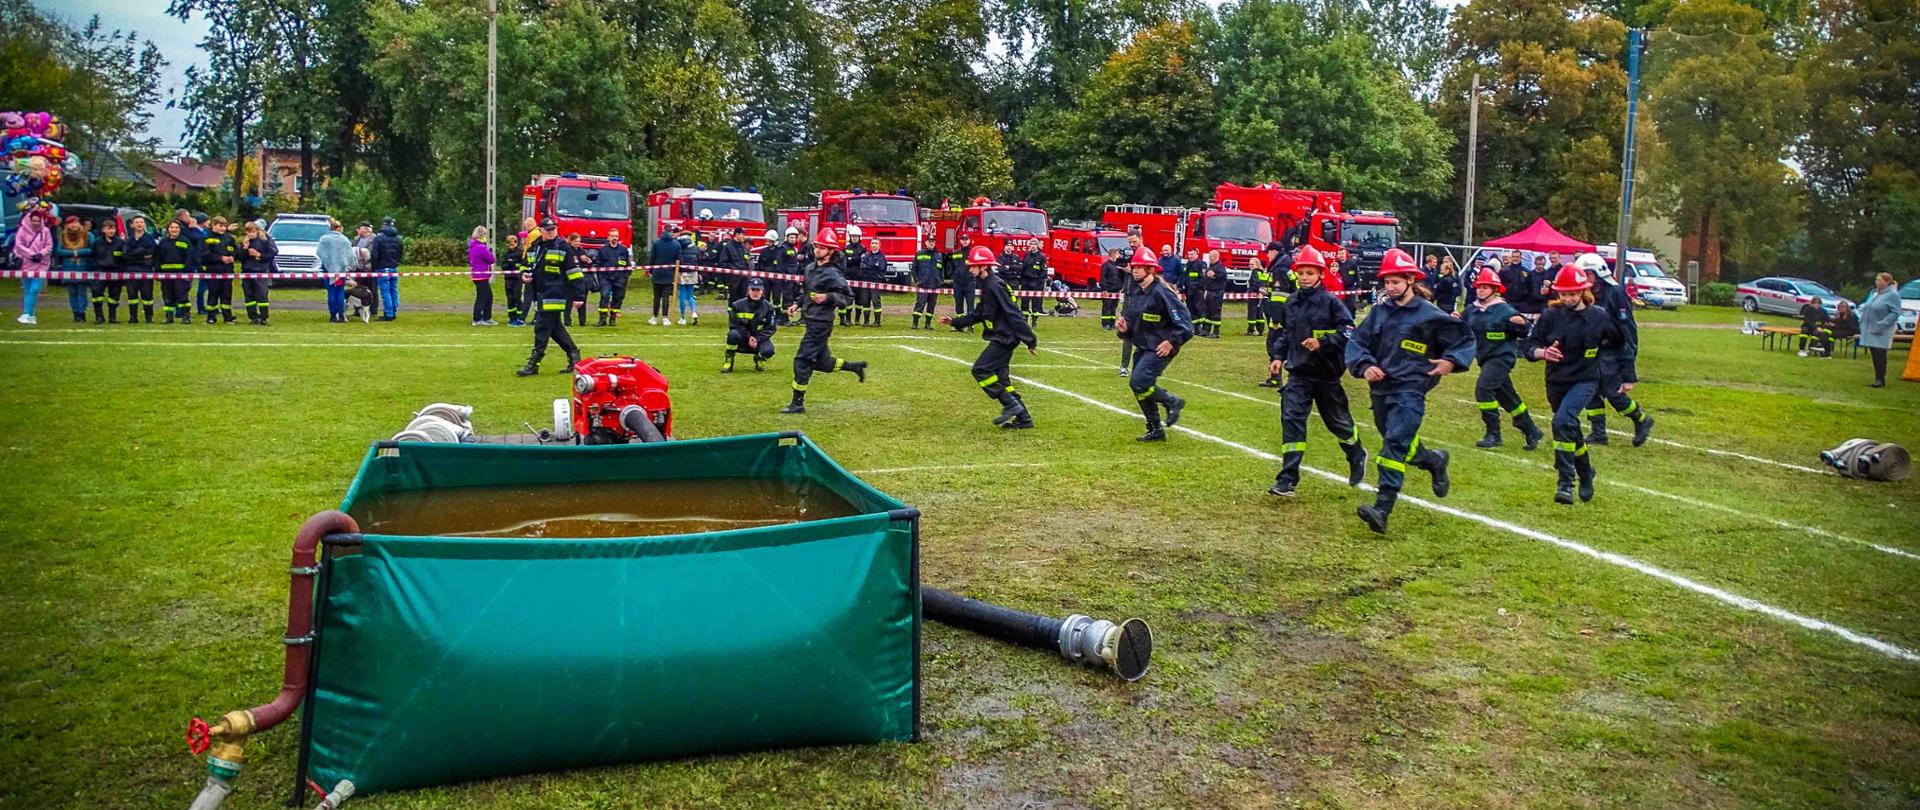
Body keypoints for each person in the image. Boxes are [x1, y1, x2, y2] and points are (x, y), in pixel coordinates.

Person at [1344, 248, 1473, 534]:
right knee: (1397, 440)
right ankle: (1434, 461)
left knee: (1393, 447)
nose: (1391, 288)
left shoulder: (1430, 315)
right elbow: (1357, 343)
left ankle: (1382, 508)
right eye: (1387, 282)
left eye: (1396, 282)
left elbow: (1462, 339)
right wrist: (1365, 366)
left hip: (1411, 391)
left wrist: (1451, 362)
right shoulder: (1379, 312)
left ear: (1410, 281)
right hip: (1380, 390)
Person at [1267, 245, 1368, 497]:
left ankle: (1355, 452)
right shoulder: (1292, 302)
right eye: (1301, 272)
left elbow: (1348, 331)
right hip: (1299, 373)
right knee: (1291, 420)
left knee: (1338, 424)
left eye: (1310, 273)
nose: (1304, 277)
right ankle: (1288, 478)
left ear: (1320, 275)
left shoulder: (1332, 303)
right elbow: (1287, 334)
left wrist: (1322, 342)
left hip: (1326, 374)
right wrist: (1278, 356)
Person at [1523, 264, 1622, 504]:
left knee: (1562, 422)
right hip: (1556, 381)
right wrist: (1542, 352)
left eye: (1573, 294)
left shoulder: (1598, 316)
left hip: (1585, 379)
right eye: (1564, 294)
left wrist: (1618, 371)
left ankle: (1565, 482)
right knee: (1570, 429)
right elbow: (1529, 346)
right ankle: (1586, 472)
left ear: (1583, 292)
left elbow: (1619, 341)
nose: (1568, 298)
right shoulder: (1549, 316)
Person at [940, 244, 1039, 429]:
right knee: (1002, 380)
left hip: (1005, 338)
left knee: (980, 370)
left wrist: (1030, 339)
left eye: (973, 266)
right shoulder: (988, 284)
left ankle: (1010, 405)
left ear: (984, 266)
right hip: (1002, 336)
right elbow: (979, 314)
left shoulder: (994, 285)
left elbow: (1013, 313)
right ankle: (1024, 419)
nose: (970, 268)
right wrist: (954, 322)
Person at [781, 230, 867, 414]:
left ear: (831, 251)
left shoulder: (833, 274)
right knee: (823, 362)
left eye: (822, 247)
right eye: (817, 246)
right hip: (810, 320)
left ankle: (797, 403)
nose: (818, 249)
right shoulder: (810, 268)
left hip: (821, 323)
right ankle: (854, 366)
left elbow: (848, 296)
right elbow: (806, 291)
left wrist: (827, 296)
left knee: (802, 361)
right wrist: (796, 305)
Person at [1115, 247, 1193, 442]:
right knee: (1140, 387)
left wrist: (1172, 342)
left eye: (1140, 267)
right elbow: (1136, 325)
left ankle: (1172, 401)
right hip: (1143, 346)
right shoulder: (1138, 292)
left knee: (1139, 382)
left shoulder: (1162, 292)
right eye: (1134, 267)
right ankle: (1155, 428)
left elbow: (1186, 326)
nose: (1135, 270)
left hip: (1160, 348)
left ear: (1151, 270)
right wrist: (1125, 329)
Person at [1577, 253, 1655, 446]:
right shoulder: (1586, 294)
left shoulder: (1615, 293)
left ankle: (1641, 419)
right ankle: (1598, 432)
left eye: (1585, 273)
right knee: (1590, 391)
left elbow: (1627, 328)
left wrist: (1629, 367)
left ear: (1596, 273)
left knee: (1613, 392)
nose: (1582, 278)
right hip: (1592, 351)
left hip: (1613, 349)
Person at [1463, 267, 1545, 449]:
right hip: (1484, 357)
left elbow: (1525, 330)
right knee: (1507, 397)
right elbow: (1461, 327)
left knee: (1483, 390)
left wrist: (1522, 324)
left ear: (1495, 290)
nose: (1481, 290)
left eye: (1486, 287)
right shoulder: (1472, 310)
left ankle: (1493, 433)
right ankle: (1531, 430)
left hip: (1501, 357)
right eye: (1479, 287)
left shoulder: (1505, 310)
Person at [515, 218, 586, 376]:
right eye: (548, 229)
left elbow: (574, 273)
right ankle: (574, 355)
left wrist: (579, 296)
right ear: (541, 230)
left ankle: (534, 362)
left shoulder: (563, 247)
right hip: (539, 293)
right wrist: (523, 274)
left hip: (555, 294)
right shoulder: (535, 246)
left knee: (541, 327)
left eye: (553, 228)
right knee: (554, 329)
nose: (551, 231)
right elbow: (526, 264)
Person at [724, 277, 779, 373]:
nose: (755, 292)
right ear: (748, 290)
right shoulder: (737, 305)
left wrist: (757, 339)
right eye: (753, 289)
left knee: (769, 350)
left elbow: (771, 328)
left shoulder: (769, 307)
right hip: (742, 337)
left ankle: (759, 359)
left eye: (758, 290)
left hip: (759, 339)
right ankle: (729, 360)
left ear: (762, 291)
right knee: (732, 334)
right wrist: (749, 337)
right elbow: (733, 324)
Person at [1858, 272, 1902, 387]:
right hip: (1869, 327)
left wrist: (1882, 323)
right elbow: (1867, 305)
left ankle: (1880, 379)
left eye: (1880, 280)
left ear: (1887, 282)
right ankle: (1878, 377)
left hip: (1882, 329)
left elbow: (1895, 312)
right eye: (1876, 280)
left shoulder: (1892, 295)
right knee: (1874, 353)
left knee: (1880, 354)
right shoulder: (1874, 293)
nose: (1877, 282)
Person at [54, 215, 95, 323]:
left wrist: (78, 252)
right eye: (71, 223)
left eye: (76, 222)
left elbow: (92, 250)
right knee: (72, 292)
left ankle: (82, 313)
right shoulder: (63, 236)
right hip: (68, 267)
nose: (74, 225)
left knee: (82, 291)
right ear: (67, 225)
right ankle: (75, 313)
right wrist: (72, 253)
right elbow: (59, 251)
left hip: (83, 267)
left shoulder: (87, 235)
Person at [11, 213, 51, 324]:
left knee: (34, 289)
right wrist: (31, 254)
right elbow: (19, 245)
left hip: (41, 264)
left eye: (38, 221)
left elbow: (49, 245)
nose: (36, 223)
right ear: (29, 220)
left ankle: (26, 313)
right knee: (27, 289)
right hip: (25, 263)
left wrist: (40, 254)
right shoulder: (22, 230)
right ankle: (30, 314)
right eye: (34, 220)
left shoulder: (46, 231)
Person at [154, 220, 195, 325]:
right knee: (167, 296)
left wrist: (187, 271)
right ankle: (169, 317)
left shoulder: (185, 241)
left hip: (181, 274)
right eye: (172, 227)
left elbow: (189, 257)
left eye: (176, 227)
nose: (174, 229)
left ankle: (185, 316)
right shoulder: (163, 242)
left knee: (182, 296)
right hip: (166, 274)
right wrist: (158, 271)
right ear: (168, 229)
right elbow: (158, 257)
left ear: (180, 229)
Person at [197, 217, 238, 324]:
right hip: (213, 271)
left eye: (224, 226)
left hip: (227, 271)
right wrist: (220, 258)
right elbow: (204, 255)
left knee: (226, 295)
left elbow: (236, 251)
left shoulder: (229, 238)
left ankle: (227, 317)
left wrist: (233, 257)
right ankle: (211, 317)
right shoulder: (206, 238)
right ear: (213, 225)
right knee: (213, 295)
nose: (222, 228)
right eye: (220, 225)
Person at [317, 218, 355, 323]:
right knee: (339, 291)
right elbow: (350, 255)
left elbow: (320, 252)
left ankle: (333, 315)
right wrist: (347, 266)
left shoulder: (324, 239)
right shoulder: (345, 240)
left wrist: (328, 263)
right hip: (341, 270)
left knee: (331, 292)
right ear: (339, 228)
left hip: (328, 270)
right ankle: (341, 315)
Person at [88, 219, 126, 323]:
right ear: (103, 230)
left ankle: (112, 317)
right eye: (109, 228)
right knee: (97, 295)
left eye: (113, 228)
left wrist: (121, 272)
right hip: (100, 272)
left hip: (115, 272)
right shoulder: (97, 242)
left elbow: (123, 258)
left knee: (114, 296)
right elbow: (92, 256)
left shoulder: (120, 242)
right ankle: (99, 317)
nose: (111, 231)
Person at [240, 221, 277, 325]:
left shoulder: (264, 240)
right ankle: (253, 317)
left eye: (252, 231)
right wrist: (244, 248)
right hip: (247, 271)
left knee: (262, 295)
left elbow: (272, 253)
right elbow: (239, 257)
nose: (250, 234)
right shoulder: (245, 242)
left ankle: (264, 317)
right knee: (249, 296)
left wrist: (259, 255)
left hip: (261, 271)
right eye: (248, 232)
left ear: (257, 231)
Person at [592, 230, 631, 326]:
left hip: (620, 278)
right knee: (604, 296)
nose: (614, 238)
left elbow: (628, 265)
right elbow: (597, 264)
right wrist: (600, 277)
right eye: (612, 236)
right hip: (606, 278)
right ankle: (602, 319)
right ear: (608, 237)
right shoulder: (603, 250)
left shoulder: (623, 250)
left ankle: (613, 318)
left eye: (616, 236)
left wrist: (625, 276)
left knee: (618, 298)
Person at [123, 215, 156, 324]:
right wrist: (141, 254)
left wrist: (135, 254)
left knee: (147, 295)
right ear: (132, 225)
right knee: (132, 295)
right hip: (131, 270)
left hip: (145, 269)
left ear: (144, 224)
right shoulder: (129, 239)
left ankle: (149, 317)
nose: (139, 224)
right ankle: (133, 317)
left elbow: (150, 252)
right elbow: (125, 255)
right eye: (137, 222)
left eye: (142, 222)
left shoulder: (150, 238)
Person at [369, 219, 403, 320]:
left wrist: (374, 267)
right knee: (394, 290)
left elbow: (374, 254)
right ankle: (394, 310)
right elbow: (400, 253)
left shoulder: (379, 238)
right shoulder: (398, 238)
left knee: (385, 291)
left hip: (382, 267)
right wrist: (396, 263)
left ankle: (389, 313)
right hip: (393, 267)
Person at [465, 226, 496, 326]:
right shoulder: (481, 247)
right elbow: (491, 259)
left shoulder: (473, 245)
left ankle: (487, 317)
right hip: (481, 275)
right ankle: (477, 319)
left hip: (479, 275)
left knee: (488, 296)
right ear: (482, 235)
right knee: (482, 297)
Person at [647, 228, 679, 325]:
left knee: (656, 297)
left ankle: (654, 317)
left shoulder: (656, 243)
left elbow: (652, 258)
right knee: (666, 296)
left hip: (657, 272)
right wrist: (675, 272)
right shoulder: (676, 244)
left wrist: (651, 271)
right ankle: (665, 317)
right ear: (671, 232)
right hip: (669, 273)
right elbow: (678, 259)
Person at [910, 235, 942, 330]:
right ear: (926, 242)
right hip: (923, 285)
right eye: (929, 241)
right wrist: (917, 280)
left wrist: (941, 281)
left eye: (933, 241)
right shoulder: (919, 254)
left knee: (931, 306)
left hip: (935, 285)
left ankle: (928, 324)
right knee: (919, 304)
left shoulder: (938, 255)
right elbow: (914, 269)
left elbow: (941, 270)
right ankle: (915, 323)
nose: (931, 243)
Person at [946, 233, 977, 326]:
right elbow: (951, 266)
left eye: (966, 239)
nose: (965, 241)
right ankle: (959, 324)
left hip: (969, 283)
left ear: (970, 240)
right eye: (963, 239)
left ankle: (970, 325)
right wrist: (952, 275)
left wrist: (973, 276)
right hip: (957, 283)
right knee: (958, 304)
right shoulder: (956, 253)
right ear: (960, 241)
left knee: (970, 305)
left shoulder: (973, 253)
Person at [858, 236, 889, 326]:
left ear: (879, 245)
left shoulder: (881, 257)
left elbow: (881, 269)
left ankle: (877, 321)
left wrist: (871, 269)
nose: (874, 245)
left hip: (875, 282)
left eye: (876, 243)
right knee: (865, 301)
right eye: (872, 243)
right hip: (865, 281)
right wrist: (873, 267)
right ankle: (866, 321)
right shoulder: (866, 256)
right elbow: (863, 267)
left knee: (876, 301)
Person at [675, 229, 703, 325]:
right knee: (690, 295)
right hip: (693, 271)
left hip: (682, 272)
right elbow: (699, 258)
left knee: (682, 294)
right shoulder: (695, 247)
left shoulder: (679, 246)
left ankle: (682, 317)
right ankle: (694, 312)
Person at [1198, 249, 1227, 338]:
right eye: (1209, 256)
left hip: (1217, 292)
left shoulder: (1220, 267)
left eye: (1211, 256)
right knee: (1207, 311)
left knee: (1215, 312)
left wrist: (1214, 275)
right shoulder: (1210, 266)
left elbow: (1223, 277)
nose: (1210, 258)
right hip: (1209, 291)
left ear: (1216, 257)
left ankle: (1216, 332)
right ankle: (1206, 330)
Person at [1098, 246, 1127, 332]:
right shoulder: (1105, 265)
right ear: (1113, 254)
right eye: (1117, 254)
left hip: (1116, 290)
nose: (1119, 256)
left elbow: (1122, 277)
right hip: (1108, 290)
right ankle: (1106, 323)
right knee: (1107, 306)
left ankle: (1112, 322)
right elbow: (1102, 277)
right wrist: (1104, 288)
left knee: (1113, 307)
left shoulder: (1118, 266)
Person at [351, 222, 377, 315]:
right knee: (358, 288)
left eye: (359, 228)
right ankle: (358, 308)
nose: (357, 230)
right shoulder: (356, 239)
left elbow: (373, 253)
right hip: (358, 268)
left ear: (365, 229)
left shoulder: (374, 239)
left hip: (369, 268)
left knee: (372, 288)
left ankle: (373, 309)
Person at [1020, 246, 1048, 326]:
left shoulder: (1041, 256)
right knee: (1024, 302)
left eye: (1034, 244)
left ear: (1037, 246)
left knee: (1036, 303)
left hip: (1036, 283)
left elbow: (1044, 271)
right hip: (1026, 282)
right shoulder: (1027, 255)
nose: (1032, 246)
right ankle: (1024, 320)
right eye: (1031, 243)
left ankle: (1034, 320)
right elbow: (1023, 268)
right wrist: (1022, 280)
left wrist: (1039, 281)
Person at [1245, 254, 1271, 336]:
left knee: (1252, 313)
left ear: (1257, 264)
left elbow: (1255, 283)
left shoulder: (1255, 272)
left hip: (1254, 295)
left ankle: (1251, 330)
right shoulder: (1264, 273)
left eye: (1252, 264)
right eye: (1249, 264)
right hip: (1262, 295)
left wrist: (1255, 290)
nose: (1250, 266)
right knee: (1260, 313)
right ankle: (1261, 330)